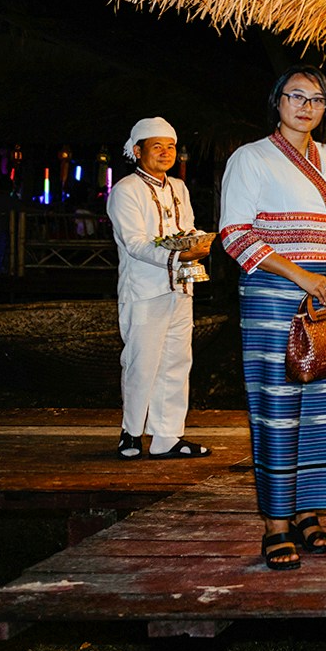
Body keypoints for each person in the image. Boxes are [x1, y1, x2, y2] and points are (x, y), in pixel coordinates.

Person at [220, 66, 326, 571]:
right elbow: (236, 234)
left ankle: (309, 513)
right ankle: (275, 524)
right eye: (296, 96)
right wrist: (306, 277)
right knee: (276, 405)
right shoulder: (250, 158)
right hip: (275, 294)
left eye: (316, 99)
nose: (306, 106)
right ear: (277, 100)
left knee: (323, 408)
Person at [108, 117, 210, 461]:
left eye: (170, 146)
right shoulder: (125, 190)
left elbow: (187, 227)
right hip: (144, 291)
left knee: (176, 363)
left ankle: (167, 436)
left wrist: (200, 241)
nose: (166, 153)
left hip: (181, 288)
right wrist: (182, 251)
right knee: (141, 362)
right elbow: (135, 243)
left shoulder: (179, 188)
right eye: (157, 146)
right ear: (137, 151)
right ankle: (131, 432)